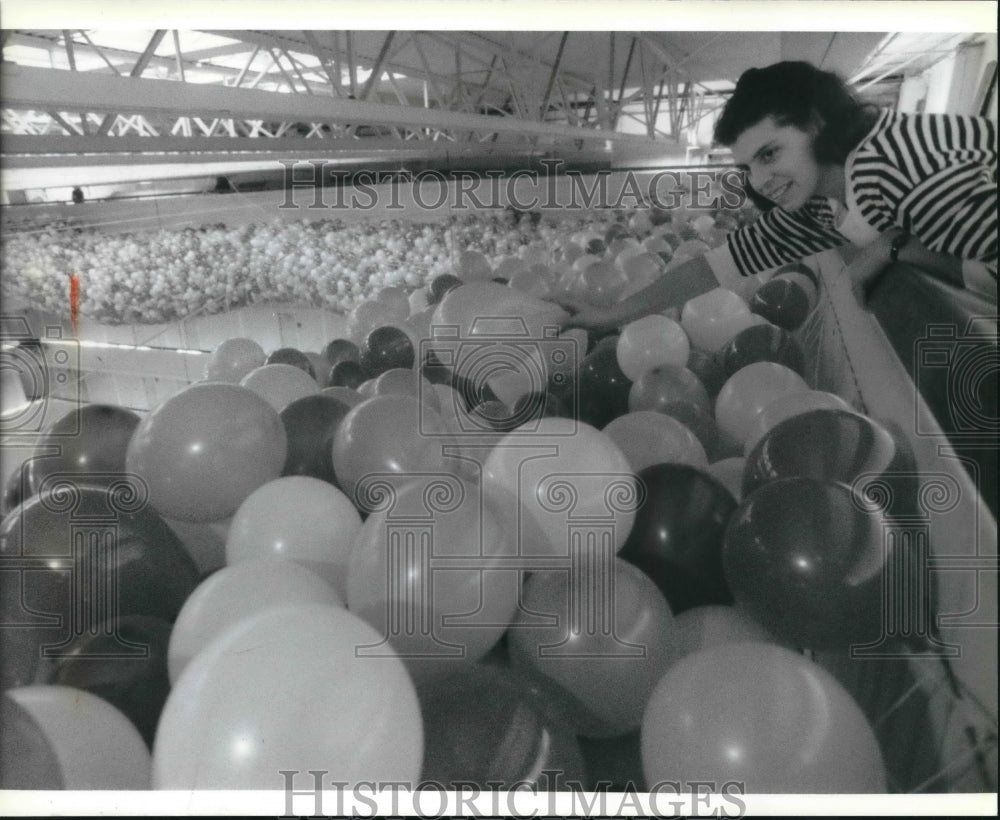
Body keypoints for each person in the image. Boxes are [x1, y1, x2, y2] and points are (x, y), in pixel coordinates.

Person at [559, 61, 997, 332]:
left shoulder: (896, 163)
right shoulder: (822, 195)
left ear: (815, 123)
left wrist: (894, 246)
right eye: (749, 166)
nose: (762, 180)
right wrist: (610, 315)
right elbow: (715, 266)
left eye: (770, 153)